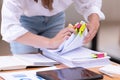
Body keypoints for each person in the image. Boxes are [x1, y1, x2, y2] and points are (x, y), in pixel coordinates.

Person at [1, 0, 105, 54]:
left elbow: (90, 3)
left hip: (56, 17)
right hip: (25, 21)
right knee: (27, 63)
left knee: (55, 63)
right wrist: (50, 42)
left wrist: (94, 21)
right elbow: (9, 28)